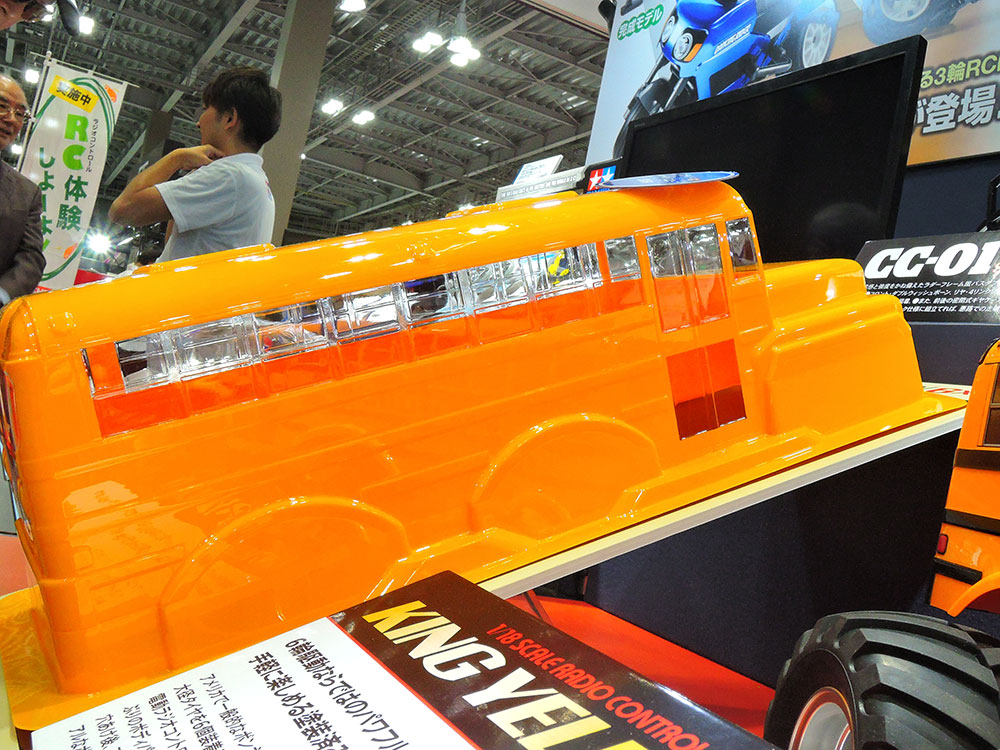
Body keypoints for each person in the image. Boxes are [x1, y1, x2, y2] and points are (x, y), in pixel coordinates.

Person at [108, 66, 281, 262]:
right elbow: (174, 241)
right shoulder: (255, 180)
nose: (198, 122)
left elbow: (122, 210)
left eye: (205, 109)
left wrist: (177, 157)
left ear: (229, 118)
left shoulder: (229, 175)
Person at [0, 74, 44, 305]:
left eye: (20, 114)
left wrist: (2, 294)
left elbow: (31, 257)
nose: (11, 119)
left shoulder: (26, 193)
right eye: (2, 106)